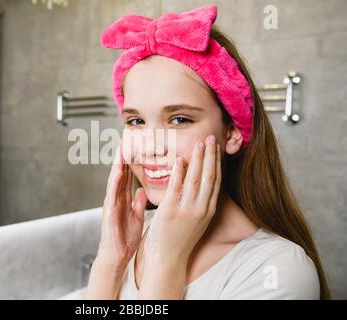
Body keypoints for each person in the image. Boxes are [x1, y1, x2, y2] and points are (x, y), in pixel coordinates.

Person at [72, 5, 329, 300]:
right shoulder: (136, 237)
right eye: (137, 121)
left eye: (179, 119)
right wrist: (109, 263)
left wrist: (166, 262)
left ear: (231, 133)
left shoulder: (278, 270)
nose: (151, 147)